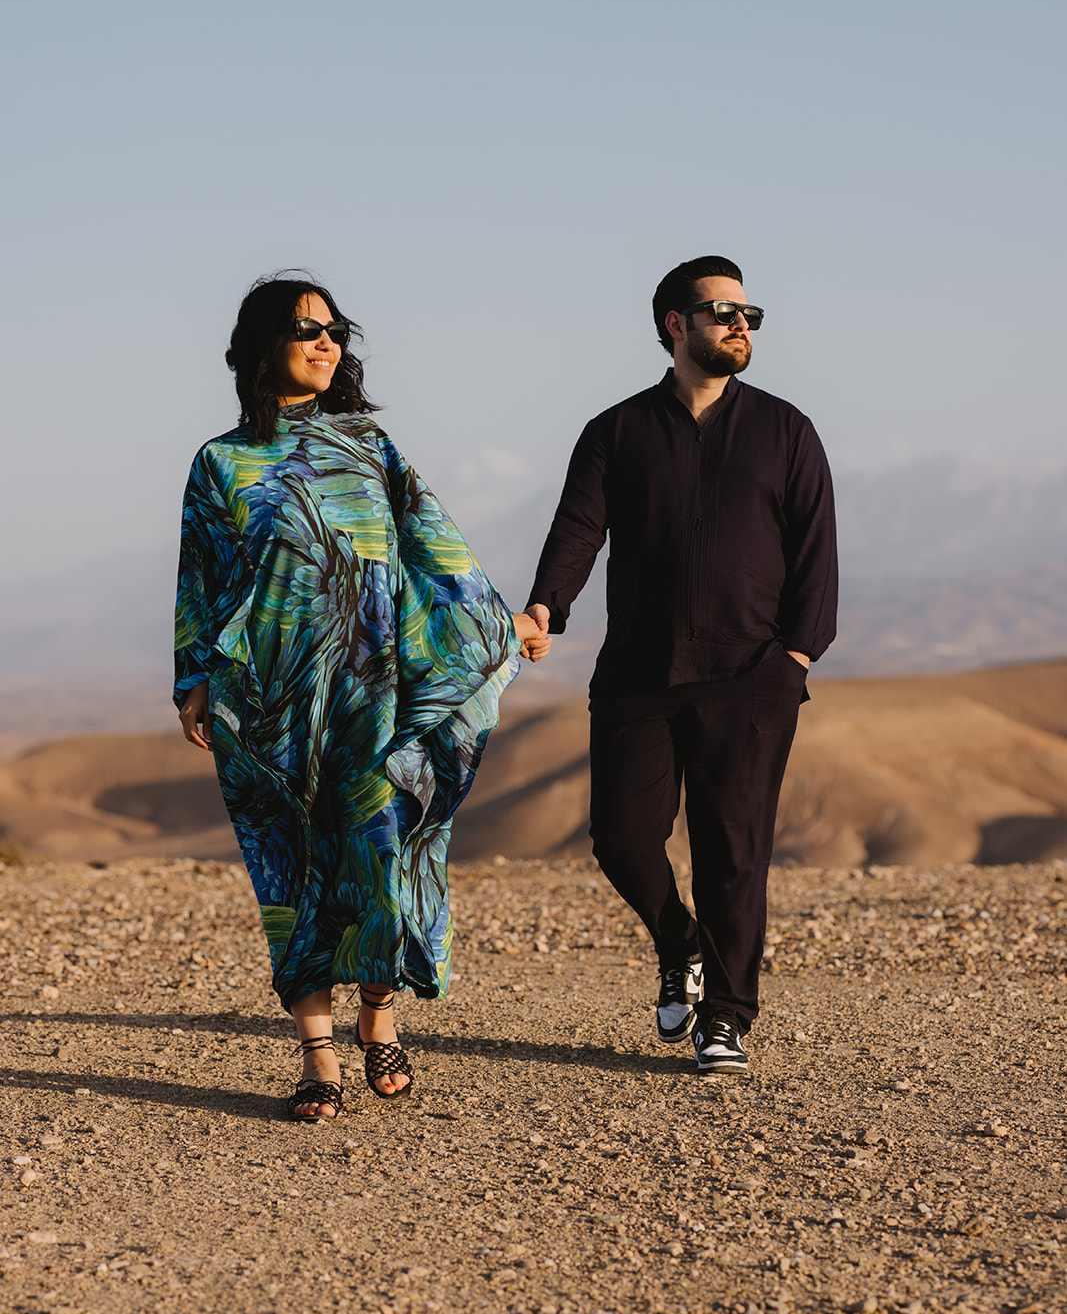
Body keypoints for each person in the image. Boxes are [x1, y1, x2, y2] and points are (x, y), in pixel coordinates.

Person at [175, 274, 549, 1118]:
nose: (325, 342)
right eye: (306, 328)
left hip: (372, 696)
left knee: (383, 857)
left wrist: (497, 626)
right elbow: (200, 579)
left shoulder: (368, 446)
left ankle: (379, 1027)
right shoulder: (220, 462)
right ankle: (317, 1060)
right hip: (269, 703)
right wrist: (192, 678)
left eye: (335, 329)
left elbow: (434, 550)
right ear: (263, 341)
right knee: (290, 870)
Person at [525, 256, 837, 1074]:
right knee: (621, 837)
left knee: (734, 850)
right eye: (722, 312)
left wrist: (794, 656)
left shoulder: (784, 430)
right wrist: (544, 608)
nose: (741, 325)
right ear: (675, 325)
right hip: (638, 671)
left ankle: (726, 1017)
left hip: (750, 675)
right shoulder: (615, 431)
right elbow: (576, 531)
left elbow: (815, 554)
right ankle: (679, 939)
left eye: (748, 314)